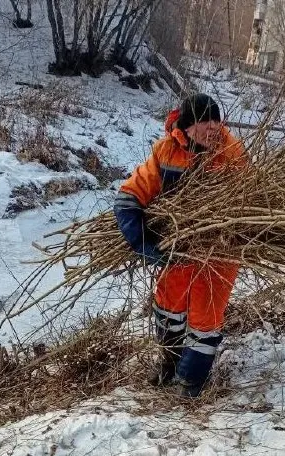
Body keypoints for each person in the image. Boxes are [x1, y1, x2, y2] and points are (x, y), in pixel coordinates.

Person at [113, 94, 247, 397]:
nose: (214, 127)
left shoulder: (232, 153)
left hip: (220, 249)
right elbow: (129, 196)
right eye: (206, 120)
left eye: (217, 119)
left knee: (206, 315)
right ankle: (169, 365)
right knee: (168, 305)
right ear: (187, 126)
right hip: (178, 247)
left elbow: (246, 202)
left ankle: (190, 381)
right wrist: (143, 242)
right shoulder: (166, 152)